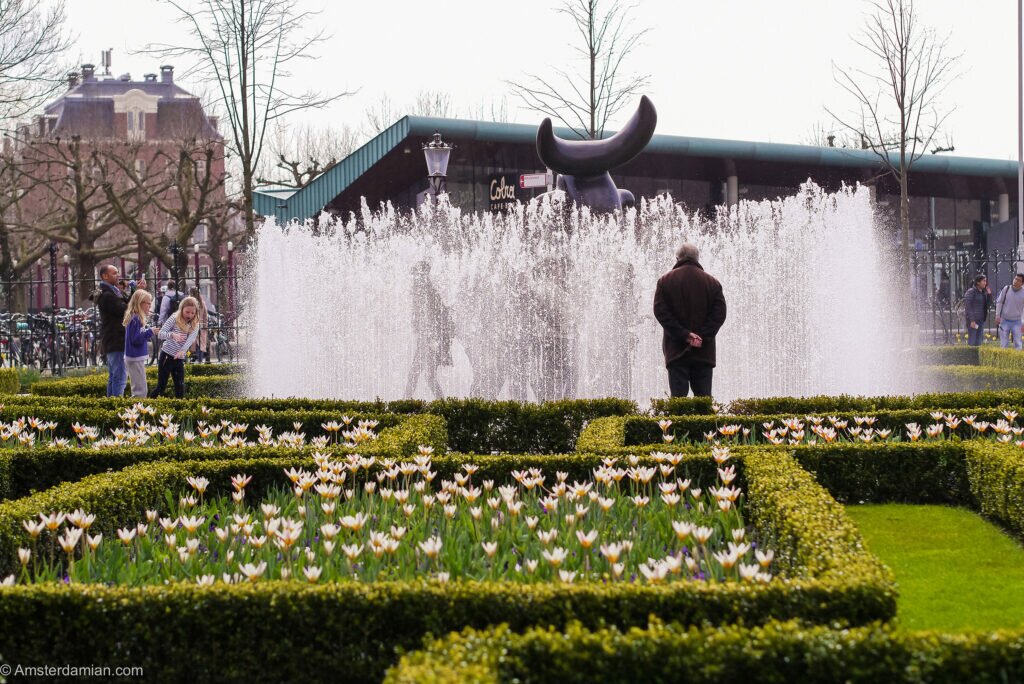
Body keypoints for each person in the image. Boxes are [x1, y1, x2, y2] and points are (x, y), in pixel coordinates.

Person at [653, 242, 727, 397]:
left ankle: (680, 422)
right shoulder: (713, 283)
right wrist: (701, 336)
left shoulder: (665, 281)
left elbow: (661, 313)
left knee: (679, 403)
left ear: (677, 258)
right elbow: (719, 315)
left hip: (676, 351)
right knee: (704, 402)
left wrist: (685, 335)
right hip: (704, 351)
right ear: (697, 258)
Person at [91, 264, 145, 397]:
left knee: (114, 376)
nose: (118, 275)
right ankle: (115, 407)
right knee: (120, 377)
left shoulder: (113, 291)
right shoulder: (107, 295)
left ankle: (110, 405)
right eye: (114, 273)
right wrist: (136, 294)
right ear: (105, 276)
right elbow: (125, 310)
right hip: (115, 339)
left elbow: (126, 304)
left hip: (115, 339)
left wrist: (135, 291)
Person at [404, 261, 453, 399]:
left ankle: (404, 404)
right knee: (426, 375)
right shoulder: (425, 293)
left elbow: (439, 319)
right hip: (428, 340)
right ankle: (443, 404)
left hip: (430, 341)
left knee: (418, 375)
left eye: (416, 276)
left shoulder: (428, 294)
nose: (413, 279)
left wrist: (435, 341)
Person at [150, 296, 201, 399]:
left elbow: (191, 339)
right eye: (187, 312)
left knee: (180, 388)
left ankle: (178, 410)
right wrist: (172, 335)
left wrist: (183, 351)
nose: (190, 315)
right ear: (182, 309)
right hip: (166, 356)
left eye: (192, 313)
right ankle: (149, 404)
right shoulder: (174, 317)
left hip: (179, 358)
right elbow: (160, 334)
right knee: (161, 387)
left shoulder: (195, 323)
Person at [123, 289, 159, 397]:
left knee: (140, 389)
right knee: (140, 391)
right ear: (140, 303)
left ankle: (136, 411)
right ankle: (135, 412)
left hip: (135, 357)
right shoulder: (135, 319)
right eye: (148, 303)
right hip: (135, 357)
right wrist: (150, 332)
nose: (149, 306)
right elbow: (135, 339)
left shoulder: (136, 318)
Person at [995, 273, 1024, 350]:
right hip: (1004, 320)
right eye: (1015, 279)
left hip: (1017, 322)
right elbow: (999, 302)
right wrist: (997, 315)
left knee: (1018, 344)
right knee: (1003, 344)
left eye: (1019, 280)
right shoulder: (1006, 289)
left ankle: (1017, 360)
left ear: (1022, 283)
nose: (1015, 281)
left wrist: (1023, 322)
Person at [964, 274, 992, 346]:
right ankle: (970, 356)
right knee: (972, 341)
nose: (985, 283)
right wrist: (972, 320)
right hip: (973, 321)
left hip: (981, 320)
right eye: (984, 281)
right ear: (978, 282)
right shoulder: (971, 291)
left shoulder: (983, 293)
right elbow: (968, 306)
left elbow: (987, 305)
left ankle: (976, 356)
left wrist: (989, 295)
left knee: (979, 341)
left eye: (986, 281)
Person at [188, 287, 210, 363]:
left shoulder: (189, 302)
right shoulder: (201, 302)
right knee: (200, 346)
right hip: (201, 326)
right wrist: (205, 325)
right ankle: (199, 361)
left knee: (189, 345)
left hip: (191, 325)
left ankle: (189, 360)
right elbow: (205, 315)